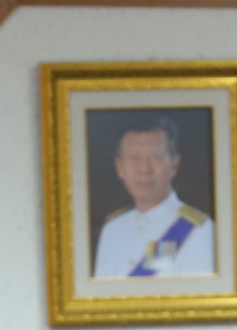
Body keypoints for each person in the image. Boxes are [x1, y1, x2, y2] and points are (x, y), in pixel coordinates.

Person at [91, 115, 216, 278]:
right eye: (134, 158)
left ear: (173, 165)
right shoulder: (112, 230)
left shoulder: (199, 230)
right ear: (120, 167)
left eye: (155, 157)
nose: (144, 168)